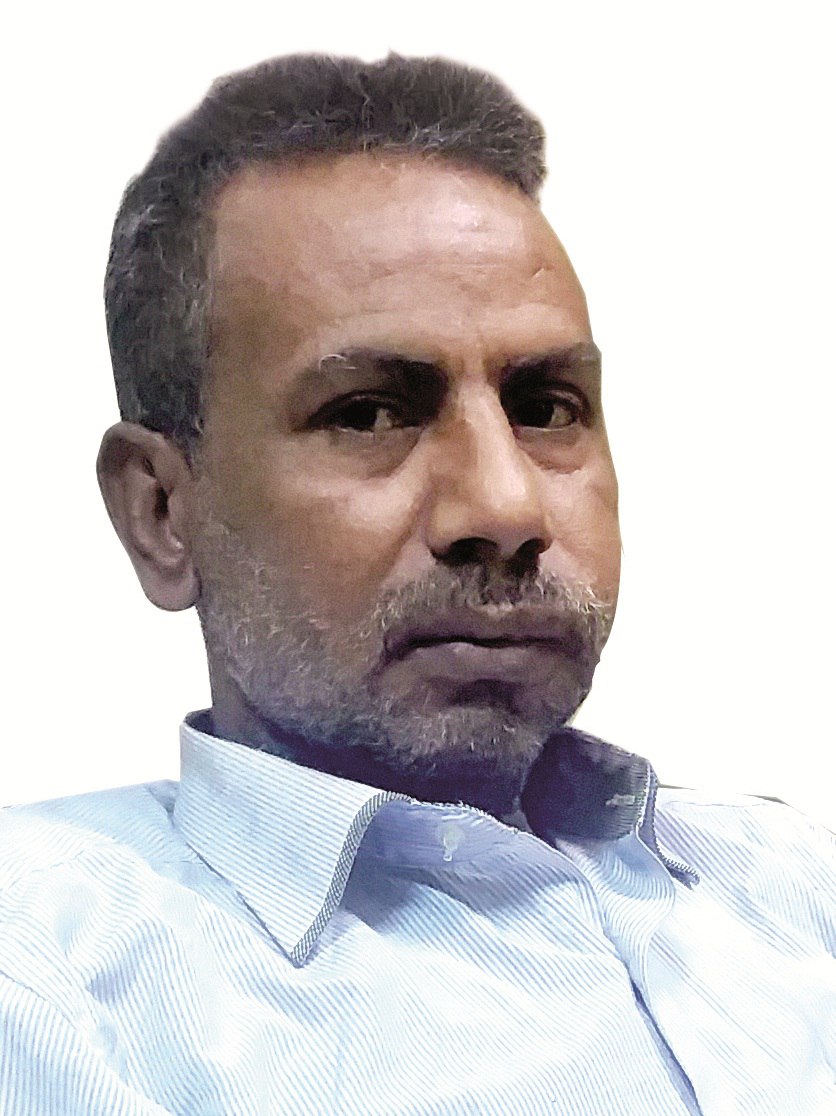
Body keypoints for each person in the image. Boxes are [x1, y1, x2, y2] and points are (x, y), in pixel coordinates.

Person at [0, 52, 832, 1116]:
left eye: (546, 407)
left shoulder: (789, 886)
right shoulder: (51, 973)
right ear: (162, 513)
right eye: (368, 413)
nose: (506, 506)